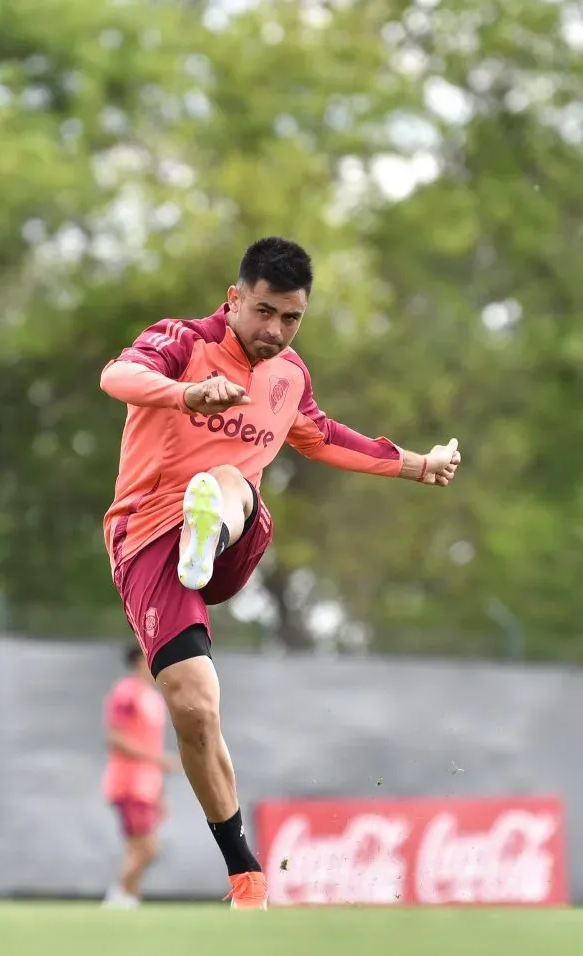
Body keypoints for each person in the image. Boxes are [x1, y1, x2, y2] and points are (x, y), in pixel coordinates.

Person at [100, 236, 461, 909]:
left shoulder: (289, 375)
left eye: (291, 318)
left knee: (228, 480)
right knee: (195, 706)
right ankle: (246, 877)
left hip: (230, 532)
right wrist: (186, 394)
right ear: (234, 298)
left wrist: (417, 464)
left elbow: (324, 437)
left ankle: (212, 522)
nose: (275, 330)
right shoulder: (181, 341)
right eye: (264, 311)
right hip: (148, 539)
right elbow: (116, 376)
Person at [101, 643, 178, 909]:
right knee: (147, 848)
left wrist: (160, 793)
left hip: (148, 786)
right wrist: (157, 759)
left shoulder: (154, 699)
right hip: (128, 783)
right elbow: (115, 738)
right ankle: (117, 896)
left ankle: (128, 901)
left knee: (137, 850)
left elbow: (151, 743)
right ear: (138, 661)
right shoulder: (125, 693)